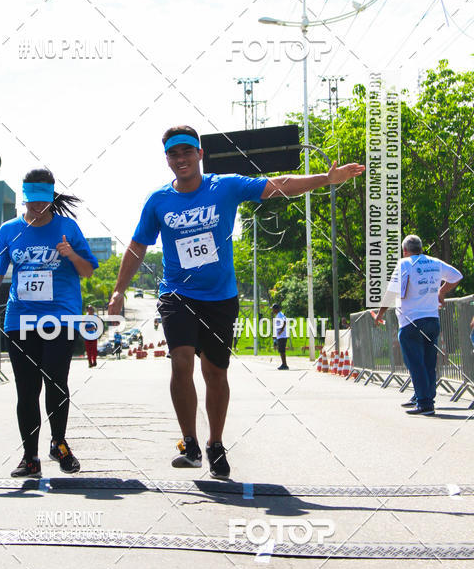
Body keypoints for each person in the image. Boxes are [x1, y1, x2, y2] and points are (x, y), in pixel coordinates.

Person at [108, 125, 364, 479]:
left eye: (187, 152)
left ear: (200, 154)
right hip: (176, 295)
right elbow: (138, 246)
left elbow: (279, 185)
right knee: (181, 362)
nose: (181, 159)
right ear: (167, 159)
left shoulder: (224, 186)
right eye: (173, 154)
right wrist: (119, 289)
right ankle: (190, 443)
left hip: (220, 297)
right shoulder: (158, 201)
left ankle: (215, 443)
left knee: (215, 371)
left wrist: (326, 179)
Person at [0, 168, 98, 477]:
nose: (37, 207)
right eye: (32, 200)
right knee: (27, 389)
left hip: (60, 316)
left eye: (43, 201)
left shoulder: (67, 228)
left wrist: (71, 254)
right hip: (20, 318)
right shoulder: (8, 230)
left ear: (51, 198)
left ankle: (58, 443)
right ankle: (30, 457)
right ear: (25, 197)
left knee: (56, 382)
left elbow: (87, 271)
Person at [374, 234, 462, 416]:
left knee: (415, 363)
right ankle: (424, 396)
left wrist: (380, 314)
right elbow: (456, 276)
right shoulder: (434, 262)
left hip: (410, 322)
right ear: (421, 248)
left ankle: (425, 403)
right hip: (432, 319)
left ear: (405, 251)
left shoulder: (404, 264)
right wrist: (441, 291)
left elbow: (391, 292)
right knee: (428, 362)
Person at [272, 303, 288, 369]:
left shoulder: (280, 315)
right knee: (281, 350)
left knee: (282, 351)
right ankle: (283, 364)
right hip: (280, 336)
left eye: (273, 309)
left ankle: (284, 365)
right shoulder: (279, 315)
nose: (272, 311)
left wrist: (281, 330)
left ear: (276, 309)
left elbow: (284, 322)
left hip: (282, 336)